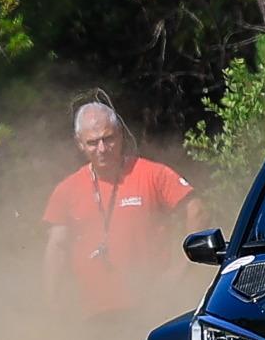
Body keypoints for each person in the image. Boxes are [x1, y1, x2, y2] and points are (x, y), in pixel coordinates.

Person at [42, 100, 205, 318]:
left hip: (151, 304)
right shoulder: (66, 190)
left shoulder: (152, 174)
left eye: (108, 139)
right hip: (92, 313)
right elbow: (57, 247)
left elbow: (196, 210)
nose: (102, 149)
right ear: (79, 143)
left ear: (120, 135)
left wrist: (180, 270)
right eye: (92, 142)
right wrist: (52, 301)